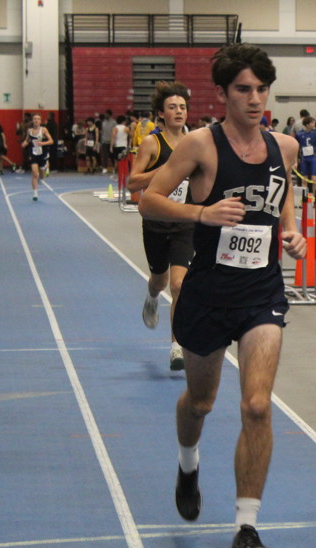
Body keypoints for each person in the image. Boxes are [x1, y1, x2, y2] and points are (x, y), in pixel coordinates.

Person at [139, 43, 306, 548]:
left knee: (257, 405)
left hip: (261, 293)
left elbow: (284, 193)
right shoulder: (200, 145)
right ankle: (188, 465)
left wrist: (292, 231)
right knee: (201, 402)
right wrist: (202, 213)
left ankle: (246, 527)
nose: (255, 99)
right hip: (208, 293)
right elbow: (147, 199)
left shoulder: (285, 146)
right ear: (222, 94)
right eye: (243, 90)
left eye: (262, 89)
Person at [128, 81, 193, 372]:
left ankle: (176, 346)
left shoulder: (195, 143)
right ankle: (152, 296)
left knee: (179, 285)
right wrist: (164, 172)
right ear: (161, 114)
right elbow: (133, 182)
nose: (179, 111)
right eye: (172, 107)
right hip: (155, 222)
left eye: (182, 107)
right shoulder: (152, 144)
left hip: (184, 223)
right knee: (160, 281)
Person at [21, 113, 54, 201]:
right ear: (32, 120)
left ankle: (45, 167)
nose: (36, 120)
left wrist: (42, 143)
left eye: (38, 119)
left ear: (40, 121)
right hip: (33, 154)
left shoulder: (43, 130)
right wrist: (25, 143)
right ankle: (35, 193)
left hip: (42, 154)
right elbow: (27, 140)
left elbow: (51, 141)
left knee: (42, 176)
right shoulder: (29, 131)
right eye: (35, 119)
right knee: (35, 173)